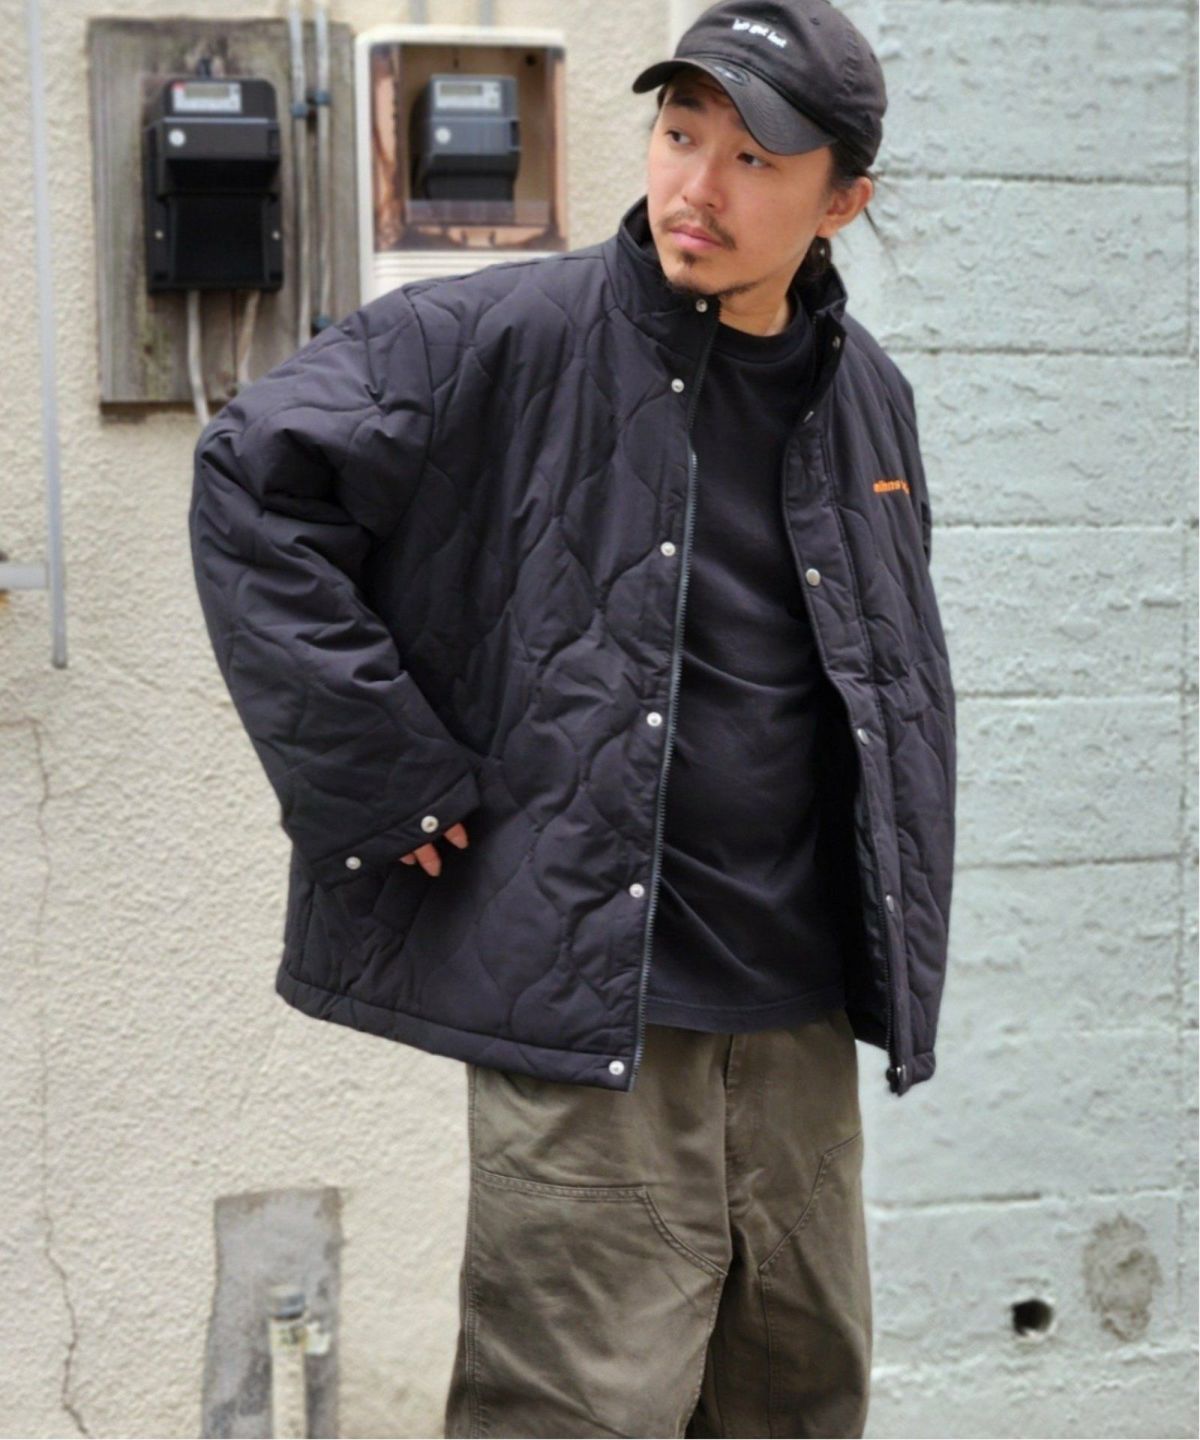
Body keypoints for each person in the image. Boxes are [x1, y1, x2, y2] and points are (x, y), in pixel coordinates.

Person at [189, 1, 957, 1434]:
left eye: (753, 158)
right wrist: (380, 775)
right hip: (603, 1018)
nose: (696, 186)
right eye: (679, 133)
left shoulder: (868, 398)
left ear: (840, 201)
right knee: (571, 1416)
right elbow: (250, 481)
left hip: (797, 1022)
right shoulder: (504, 334)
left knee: (800, 1408)